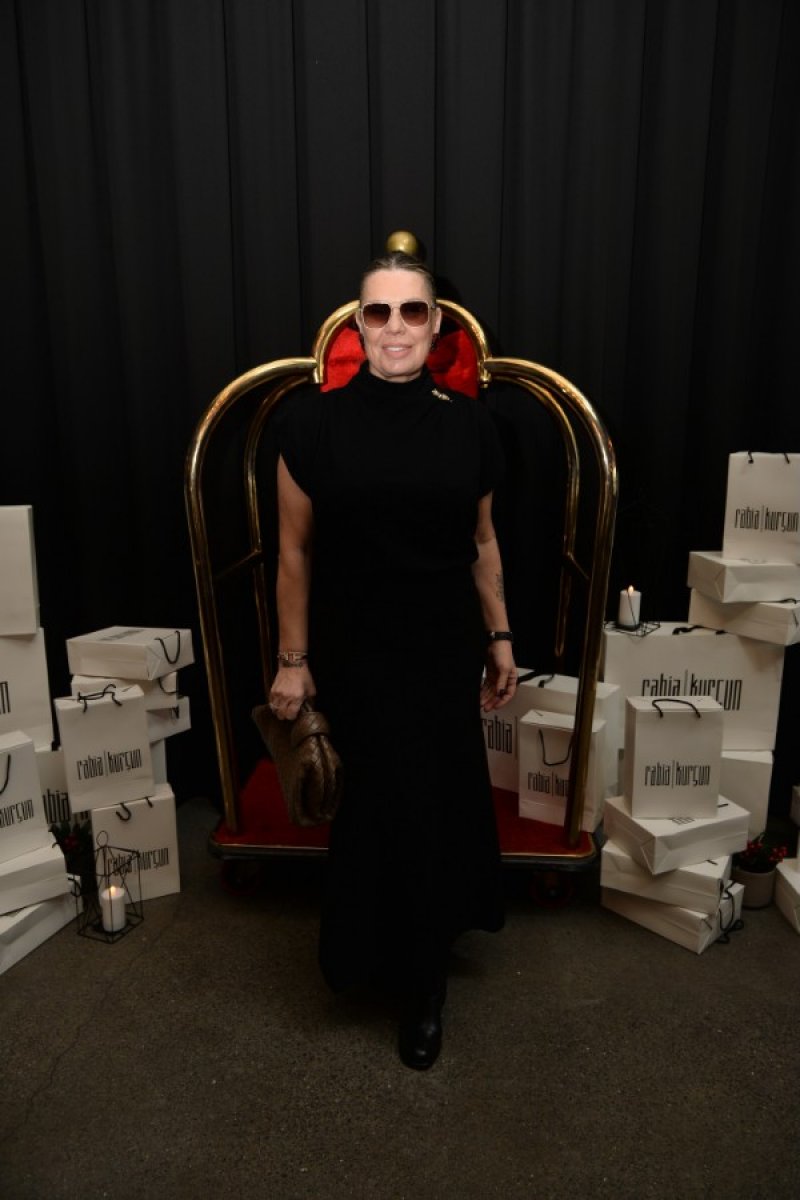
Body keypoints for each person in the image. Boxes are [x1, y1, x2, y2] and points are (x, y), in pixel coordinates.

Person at [269, 250, 517, 1070]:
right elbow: (294, 553)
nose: (396, 327)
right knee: (373, 809)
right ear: (358, 324)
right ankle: (368, 957)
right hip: (354, 651)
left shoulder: (471, 427)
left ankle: (424, 988)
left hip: (440, 650)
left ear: (437, 324)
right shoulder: (310, 426)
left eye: (413, 311)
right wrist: (293, 660)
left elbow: (483, 541)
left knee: (431, 810)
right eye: (379, 312)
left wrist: (500, 638)